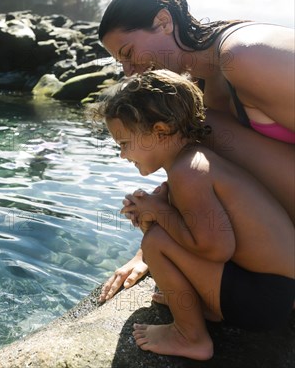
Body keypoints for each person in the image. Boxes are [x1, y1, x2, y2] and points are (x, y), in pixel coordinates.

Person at [95, 0, 295, 303]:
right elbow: (193, 170)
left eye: (129, 54)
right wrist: (156, 240)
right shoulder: (194, 77)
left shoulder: (244, 56)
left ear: (163, 21)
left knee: (200, 125)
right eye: (121, 64)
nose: (128, 72)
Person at [88, 70, 294, 360]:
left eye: (123, 144)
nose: (122, 155)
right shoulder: (192, 161)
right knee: (158, 231)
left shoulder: (188, 173)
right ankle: (204, 306)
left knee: (156, 242)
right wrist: (156, 210)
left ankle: (190, 336)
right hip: (270, 291)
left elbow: (216, 247)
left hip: (261, 299)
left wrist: (159, 211)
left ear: (159, 131)